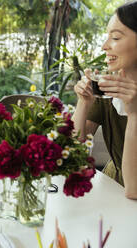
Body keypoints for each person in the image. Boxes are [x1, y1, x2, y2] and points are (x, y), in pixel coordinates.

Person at [73, 1, 137, 199]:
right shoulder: (108, 88)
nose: (104, 46)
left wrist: (134, 115)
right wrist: (83, 103)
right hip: (113, 190)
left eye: (115, 37)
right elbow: (72, 157)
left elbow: (134, 189)